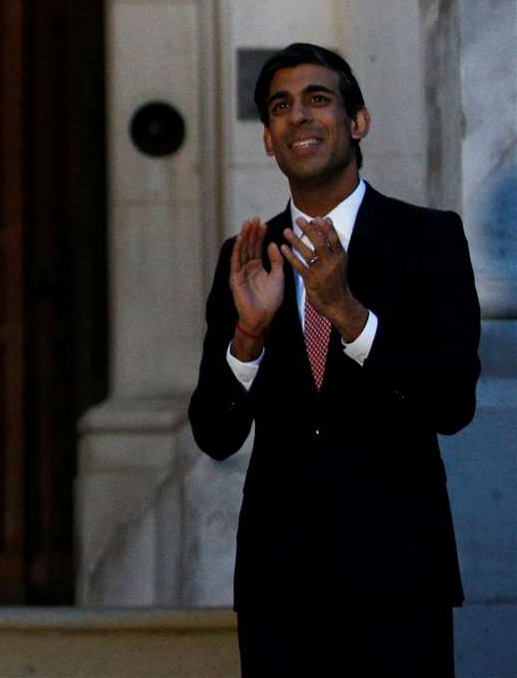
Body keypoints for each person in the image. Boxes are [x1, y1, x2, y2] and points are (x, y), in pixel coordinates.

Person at [189, 42, 480, 676]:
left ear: (358, 121)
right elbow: (214, 433)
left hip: (399, 580)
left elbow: (453, 402)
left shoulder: (429, 240)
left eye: (318, 99)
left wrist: (347, 312)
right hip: (279, 588)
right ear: (269, 139)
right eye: (282, 107)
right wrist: (248, 337)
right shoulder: (246, 257)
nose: (300, 117)